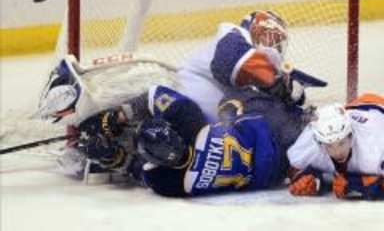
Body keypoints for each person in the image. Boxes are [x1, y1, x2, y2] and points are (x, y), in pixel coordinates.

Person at [74, 84, 310, 197]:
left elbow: (133, 169)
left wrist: (111, 155)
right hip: (269, 139)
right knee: (236, 96)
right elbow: (155, 95)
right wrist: (120, 115)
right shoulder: (189, 121)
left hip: (270, 171)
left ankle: (296, 108)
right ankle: (295, 103)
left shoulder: (165, 181)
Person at [176, 10, 305, 123]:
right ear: (257, 31)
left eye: (279, 44)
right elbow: (228, 62)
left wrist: (290, 96)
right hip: (181, 113)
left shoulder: (252, 69)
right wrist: (275, 82)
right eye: (274, 39)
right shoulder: (233, 34)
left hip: (203, 127)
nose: (276, 48)